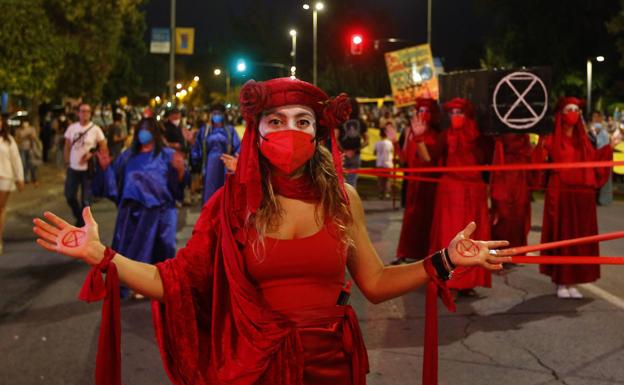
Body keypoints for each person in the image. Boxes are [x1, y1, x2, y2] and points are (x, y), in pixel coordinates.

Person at [33, 78, 510, 385]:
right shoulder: (230, 205)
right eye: (275, 121)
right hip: (257, 369)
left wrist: (444, 260)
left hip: (336, 364)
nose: (289, 131)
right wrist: (103, 255)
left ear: (319, 132)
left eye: (302, 121)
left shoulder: (344, 199)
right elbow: (173, 281)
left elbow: (376, 283)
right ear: (255, 132)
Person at [533, 97, 615, 299]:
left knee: (580, 239)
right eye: (570, 109)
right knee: (564, 237)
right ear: (561, 113)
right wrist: (541, 145)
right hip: (562, 195)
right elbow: (538, 162)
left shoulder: (583, 140)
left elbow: (594, 159)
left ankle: (573, 281)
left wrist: (609, 148)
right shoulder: (552, 139)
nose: (574, 113)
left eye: (577, 110)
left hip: (582, 196)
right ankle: (562, 281)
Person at [95, 117, 185, 298]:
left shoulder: (167, 155)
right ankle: (136, 285)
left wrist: (181, 171)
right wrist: (105, 169)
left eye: (148, 129)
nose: (144, 133)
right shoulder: (127, 156)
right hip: (133, 213)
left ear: (155, 133)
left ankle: (159, 285)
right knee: (132, 251)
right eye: (141, 129)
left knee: (164, 247)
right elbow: (115, 184)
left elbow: (178, 187)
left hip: (161, 212)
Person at [429, 98, 493, 297]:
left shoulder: (478, 138)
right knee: (449, 236)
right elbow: (432, 157)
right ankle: (450, 282)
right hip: (451, 192)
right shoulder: (445, 136)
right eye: (452, 113)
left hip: (473, 191)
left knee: (473, 238)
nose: (455, 117)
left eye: (460, 113)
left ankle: (468, 282)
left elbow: (487, 158)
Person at [391, 98, 442, 265]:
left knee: (427, 219)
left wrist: (420, 137)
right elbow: (405, 159)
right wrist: (394, 142)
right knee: (410, 218)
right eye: (420, 111)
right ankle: (405, 252)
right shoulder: (409, 132)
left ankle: (427, 254)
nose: (423, 114)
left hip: (430, 184)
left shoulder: (436, 135)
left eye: (427, 111)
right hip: (413, 184)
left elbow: (428, 159)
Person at [63, 103, 108, 227]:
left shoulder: (95, 129)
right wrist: (67, 161)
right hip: (73, 167)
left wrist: (91, 153)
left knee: (86, 200)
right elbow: (67, 146)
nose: (85, 113)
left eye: (88, 111)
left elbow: (103, 147)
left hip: (88, 169)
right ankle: (79, 218)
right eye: (83, 111)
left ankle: (84, 225)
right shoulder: (72, 128)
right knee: (69, 195)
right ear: (78, 113)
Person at [191, 103, 241, 204]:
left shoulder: (230, 130)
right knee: (210, 194)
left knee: (225, 194)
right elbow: (197, 147)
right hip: (209, 166)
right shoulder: (205, 130)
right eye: (214, 113)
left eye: (219, 113)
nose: (216, 116)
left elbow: (238, 148)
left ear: (223, 115)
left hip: (226, 165)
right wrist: (196, 161)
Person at [490, 133, 532, 250]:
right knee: (503, 214)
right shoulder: (500, 139)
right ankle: (501, 248)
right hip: (505, 175)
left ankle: (514, 249)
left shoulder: (524, 137)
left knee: (518, 215)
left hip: (519, 176)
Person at [0, 116, 24, 254]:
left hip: (5, 178)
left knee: (1, 208)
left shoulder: (8, 140)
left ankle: (0, 239)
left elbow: (16, 159)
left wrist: (19, 177)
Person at [338, 98, 368, 187]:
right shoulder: (361, 122)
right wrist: (355, 150)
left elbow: (335, 139)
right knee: (352, 183)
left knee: (340, 183)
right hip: (356, 155)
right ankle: (352, 200)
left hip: (341, 155)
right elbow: (367, 141)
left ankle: (342, 200)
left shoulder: (340, 120)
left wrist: (344, 151)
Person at [15, 120, 39, 187]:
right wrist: (24, 137)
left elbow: (34, 137)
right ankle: (26, 179)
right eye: (23, 122)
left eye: (26, 122)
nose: (25, 123)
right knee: (24, 164)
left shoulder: (32, 128)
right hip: (22, 149)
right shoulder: (18, 130)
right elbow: (17, 140)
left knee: (32, 164)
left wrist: (29, 137)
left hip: (31, 149)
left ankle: (34, 179)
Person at [373, 123, 394, 199]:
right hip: (388, 163)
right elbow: (392, 151)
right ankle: (387, 193)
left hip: (379, 163)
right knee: (388, 179)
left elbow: (374, 152)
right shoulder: (390, 143)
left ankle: (380, 194)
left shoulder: (377, 143)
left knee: (380, 180)